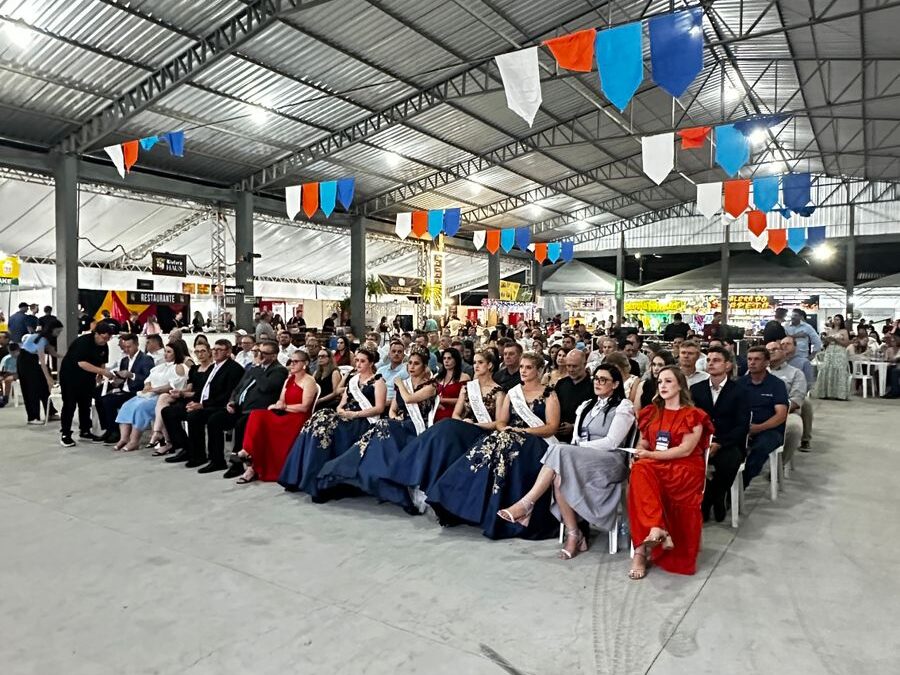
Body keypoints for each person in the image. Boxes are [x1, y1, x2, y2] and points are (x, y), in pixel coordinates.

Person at [499, 364, 635, 559]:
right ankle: (574, 534)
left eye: (603, 379)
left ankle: (527, 503)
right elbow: (576, 439)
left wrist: (578, 449)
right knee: (558, 475)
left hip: (610, 461)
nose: (597, 382)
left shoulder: (623, 406)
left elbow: (612, 442)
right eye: (596, 378)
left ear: (615, 384)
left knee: (558, 450)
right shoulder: (587, 405)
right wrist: (575, 449)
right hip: (583, 459)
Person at [427, 352, 561, 540]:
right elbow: (501, 421)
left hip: (536, 441)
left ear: (540, 370)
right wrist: (506, 429)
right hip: (511, 435)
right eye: (521, 367)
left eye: (528, 367)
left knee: (506, 450)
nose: (523, 371)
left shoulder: (549, 394)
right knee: (485, 449)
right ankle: (453, 500)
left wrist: (524, 432)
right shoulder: (514, 392)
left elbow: (551, 427)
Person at [316, 348, 436, 508]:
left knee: (383, 428)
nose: (412, 367)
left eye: (416, 364)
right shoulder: (405, 383)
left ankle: (388, 482)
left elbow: (409, 399)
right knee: (382, 428)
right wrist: (395, 417)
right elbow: (393, 409)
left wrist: (399, 383)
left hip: (416, 426)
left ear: (424, 366)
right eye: (410, 364)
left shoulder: (431, 385)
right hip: (398, 423)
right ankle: (348, 471)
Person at [386, 349, 504, 507]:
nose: (476, 365)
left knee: (444, 428)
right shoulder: (467, 388)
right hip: (462, 426)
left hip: (482, 430)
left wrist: (474, 424)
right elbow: (456, 414)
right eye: (475, 362)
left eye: (480, 362)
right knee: (442, 431)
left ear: (490, 365)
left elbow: (499, 423)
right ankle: (416, 478)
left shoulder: (499, 392)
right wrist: (463, 422)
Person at [627, 366, 714, 579]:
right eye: (660, 382)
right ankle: (654, 531)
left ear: (680, 385)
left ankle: (643, 547)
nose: (663, 386)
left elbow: (685, 449)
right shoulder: (652, 412)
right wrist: (641, 451)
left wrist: (650, 456)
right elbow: (645, 441)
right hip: (656, 463)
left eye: (668, 381)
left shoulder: (694, 415)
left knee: (641, 472)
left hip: (684, 467)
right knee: (639, 470)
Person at [278, 348, 386, 499]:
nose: (358, 364)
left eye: (363, 361)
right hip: (346, 416)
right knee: (316, 421)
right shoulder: (353, 380)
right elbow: (341, 403)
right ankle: (298, 477)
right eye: (357, 360)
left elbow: (379, 408)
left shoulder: (378, 381)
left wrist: (354, 414)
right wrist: (341, 410)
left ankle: (322, 484)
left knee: (324, 430)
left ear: (371, 363)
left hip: (362, 420)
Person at [231, 350, 318, 484]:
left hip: (298, 418)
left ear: (305, 364)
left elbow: (305, 407)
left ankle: (250, 464)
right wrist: (278, 404)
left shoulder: (309, 381)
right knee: (256, 415)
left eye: (296, 361)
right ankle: (246, 451)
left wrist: (284, 407)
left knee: (263, 423)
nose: (292, 364)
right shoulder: (289, 379)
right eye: (290, 361)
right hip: (285, 414)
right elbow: (281, 399)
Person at [161, 339, 244, 465]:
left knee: (195, 416)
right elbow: (204, 389)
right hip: (204, 401)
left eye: (219, 350)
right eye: (214, 349)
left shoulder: (234, 369)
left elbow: (227, 395)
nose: (215, 352)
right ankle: (187, 448)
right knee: (168, 411)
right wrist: (194, 401)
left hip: (220, 405)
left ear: (228, 352)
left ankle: (204, 457)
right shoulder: (215, 367)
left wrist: (202, 405)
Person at [690, 347, 750, 523]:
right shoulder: (696, 389)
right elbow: (692, 420)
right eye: (708, 360)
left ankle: (713, 497)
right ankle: (707, 499)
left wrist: (720, 443)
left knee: (729, 461)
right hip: (701, 441)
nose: (710, 363)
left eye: (716, 360)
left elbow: (742, 425)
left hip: (728, 442)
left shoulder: (739, 391)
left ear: (728, 365)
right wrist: (704, 442)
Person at [113, 344, 189, 451]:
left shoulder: (179, 367)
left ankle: (134, 441)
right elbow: (148, 379)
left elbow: (174, 385)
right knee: (126, 405)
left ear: (176, 353)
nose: (165, 354)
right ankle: (124, 438)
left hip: (163, 396)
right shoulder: (160, 367)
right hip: (149, 394)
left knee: (141, 408)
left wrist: (155, 390)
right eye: (165, 351)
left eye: (169, 352)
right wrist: (148, 386)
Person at [147, 341, 214, 456]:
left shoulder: (213, 369)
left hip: (203, 400)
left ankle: (186, 448)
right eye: (197, 352)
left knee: (187, 414)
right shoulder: (194, 369)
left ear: (209, 353)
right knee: (167, 411)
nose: (200, 354)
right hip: (190, 397)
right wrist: (179, 392)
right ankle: (181, 444)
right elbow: (189, 388)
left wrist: (184, 394)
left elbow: (205, 392)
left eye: (203, 351)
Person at [738, 346, 789, 487]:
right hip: (744, 428)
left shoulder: (776, 384)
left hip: (769, 430)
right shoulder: (739, 383)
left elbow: (781, 415)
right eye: (749, 359)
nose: (752, 362)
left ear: (767, 362)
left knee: (759, 450)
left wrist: (758, 428)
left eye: (757, 359)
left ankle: (741, 486)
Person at [58, 325, 116, 447]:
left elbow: (102, 361)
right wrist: (102, 372)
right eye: (103, 338)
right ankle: (65, 434)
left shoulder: (103, 345)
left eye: (108, 339)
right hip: (70, 376)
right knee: (70, 404)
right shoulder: (83, 342)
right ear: (96, 334)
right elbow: (82, 363)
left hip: (88, 377)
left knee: (85, 404)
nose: (105, 341)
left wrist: (100, 372)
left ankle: (85, 430)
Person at [96, 333, 154, 444]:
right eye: (125, 347)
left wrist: (131, 375)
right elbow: (122, 379)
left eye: (129, 347)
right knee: (100, 396)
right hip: (124, 388)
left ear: (137, 345)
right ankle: (108, 428)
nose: (126, 349)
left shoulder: (146, 359)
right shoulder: (124, 360)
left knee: (108, 401)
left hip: (136, 391)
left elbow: (149, 379)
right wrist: (116, 381)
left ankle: (115, 431)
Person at [766, 341, 807, 465]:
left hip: (786, 413)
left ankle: (780, 465)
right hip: (756, 412)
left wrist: (777, 411)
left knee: (795, 427)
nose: (771, 352)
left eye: (775, 349)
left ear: (784, 352)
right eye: (768, 350)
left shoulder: (796, 373)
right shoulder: (755, 371)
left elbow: (796, 400)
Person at [18, 320, 64, 425]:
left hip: (32, 360)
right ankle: (33, 417)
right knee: (32, 388)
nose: (58, 334)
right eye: (57, 332)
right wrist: (48, 378)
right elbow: (42, 362)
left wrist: (68, 356)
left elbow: (53, 353)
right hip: (26, 361)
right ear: (51, 330)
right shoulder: (41, 339)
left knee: (43, 387)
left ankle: (51, 412)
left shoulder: (47, 339)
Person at [781, 335, 815, 450]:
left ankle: (806, 439)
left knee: (806, 402)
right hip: (780, 394)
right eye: (782, 344)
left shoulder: (803, 362)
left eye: (788, 344)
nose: (784, 346)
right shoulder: (775, 362)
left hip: (797, 394)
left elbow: (808, 384)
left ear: (795, 346)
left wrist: (797, 395)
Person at [553, 349, 593, 443]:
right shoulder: (561, 383)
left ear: (584, 364)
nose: (571, 369)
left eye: (575, 366)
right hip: (558, 434)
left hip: (582, 436)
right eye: (568, 366)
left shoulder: (594, 386)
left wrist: (574, 426)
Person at [432, 347, 470, 421]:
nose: (446, 361)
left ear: (456, 360)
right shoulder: (438, 377)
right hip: (435, 414)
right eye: (444, 358)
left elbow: (467, 400)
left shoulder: (464, 377)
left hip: (454, 415)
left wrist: (443, 400)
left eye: (449, 358)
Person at [814, 334, 851, 400]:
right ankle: (826, 393)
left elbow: (846, 344)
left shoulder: (844, 331)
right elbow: (825, 343)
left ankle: (840, 394)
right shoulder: (830, 331)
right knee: (827, 369)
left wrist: (836, 340)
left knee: (839, 370)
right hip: (829, 351)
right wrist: (826, 340)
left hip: (839, 351)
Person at [0, 343, 18, 407]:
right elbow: (5, 369)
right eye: (10, 352)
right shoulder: (7, 359)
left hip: (17, 374)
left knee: (8, 380)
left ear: (17, 351)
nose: (12, 354)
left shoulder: (20, 358)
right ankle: (1, 396)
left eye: (13, 353)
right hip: (8, 373)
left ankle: (6, 398)